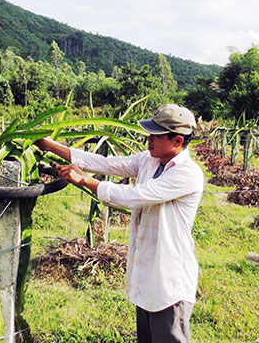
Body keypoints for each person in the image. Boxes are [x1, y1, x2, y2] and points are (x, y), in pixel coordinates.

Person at [34, 103, 204, 343]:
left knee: (169, 336)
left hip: (170, 277)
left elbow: (134, 196)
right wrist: (48, 145)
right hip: (147, 272)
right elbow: (107, 164)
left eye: (156, 135)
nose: (149, 139)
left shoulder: (188, 173)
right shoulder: (150, 160)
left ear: (177, 141)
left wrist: (85, 181)